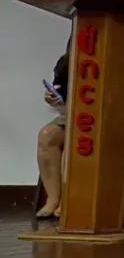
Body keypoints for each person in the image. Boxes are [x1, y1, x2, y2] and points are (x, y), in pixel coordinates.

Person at [36, 42, 70, 219]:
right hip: (70, 114)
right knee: (47, 136)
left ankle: (69, 200)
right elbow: (59, 92)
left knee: (74, 139)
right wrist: (51, 97)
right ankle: (53, 198)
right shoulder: (65, 63)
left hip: (97, 117)